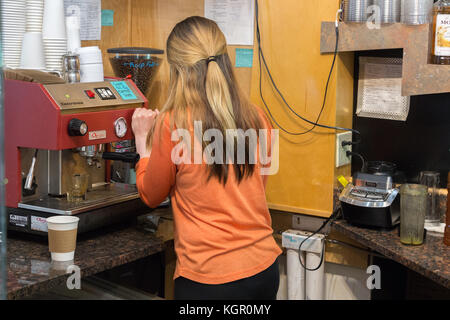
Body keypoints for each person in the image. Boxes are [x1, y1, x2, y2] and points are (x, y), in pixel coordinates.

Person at [131, 16, 281, 300]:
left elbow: (150, 195)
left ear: (177, 70)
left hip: (210, 279)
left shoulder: (172, 124)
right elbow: (255, 188)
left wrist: (143, 145)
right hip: (263, 270)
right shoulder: (258, 118)